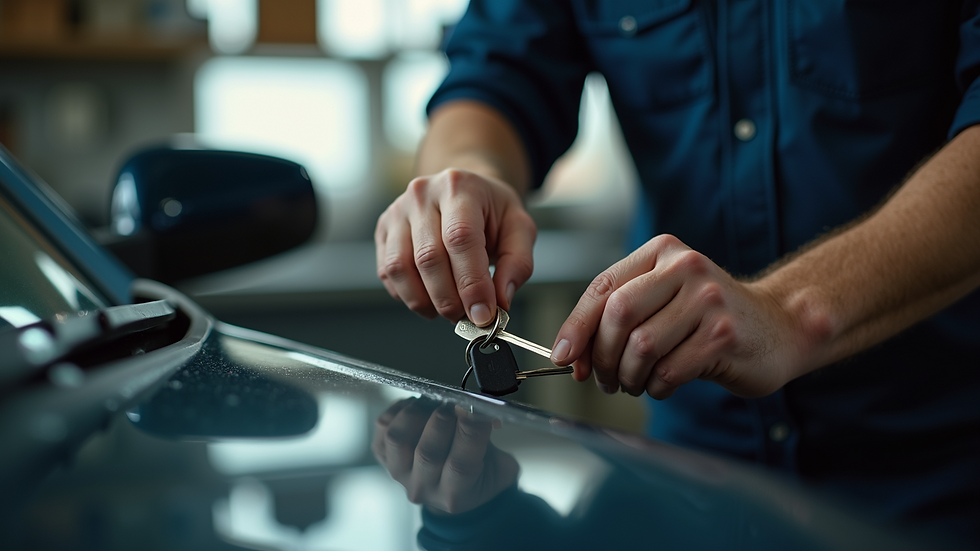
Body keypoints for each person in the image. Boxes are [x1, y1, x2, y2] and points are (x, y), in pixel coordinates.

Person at [374, 0, 980, 542]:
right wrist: (468, 170)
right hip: (687, 478)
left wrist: (792, 313)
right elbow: (496, 71)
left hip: (943, 477)